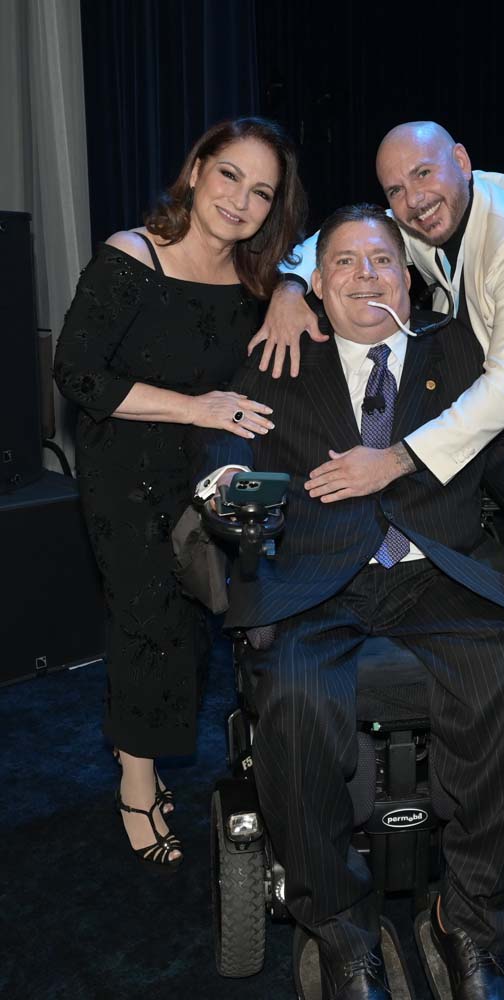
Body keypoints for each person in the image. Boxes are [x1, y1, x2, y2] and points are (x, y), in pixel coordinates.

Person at [249, 121, 504, 899]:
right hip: (474, 452)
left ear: (463, 163)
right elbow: (344, 246)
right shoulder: (429, 215)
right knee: (493, 623)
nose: (412, 200)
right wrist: (288, 284)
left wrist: (395, 459)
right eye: (397, 189)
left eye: (425, 178)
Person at [195, 205, 504, 1000]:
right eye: (344, 262)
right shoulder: (283, 356)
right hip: (317, 574)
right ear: (318, 281)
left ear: (407, 279)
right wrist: (227, 482)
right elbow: (229, 438)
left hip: (439, 568)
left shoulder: (458, 351)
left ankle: (471, 925)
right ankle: (342, 934)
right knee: (297, 698)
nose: (365, 275)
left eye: (381, 260)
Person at [54, 116, 307, 870]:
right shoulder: (133, 256)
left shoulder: (259, 281)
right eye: (229, 175)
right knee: (147, 620)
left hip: (206, 473)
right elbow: (77, 374)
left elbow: (338, 254)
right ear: (197, 170)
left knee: (197, 624)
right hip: (124, 469)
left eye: (261, 192)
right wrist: (196, 405)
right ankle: (136, 782)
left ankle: (150, 753)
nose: (240, 200)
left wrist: (292, 286)